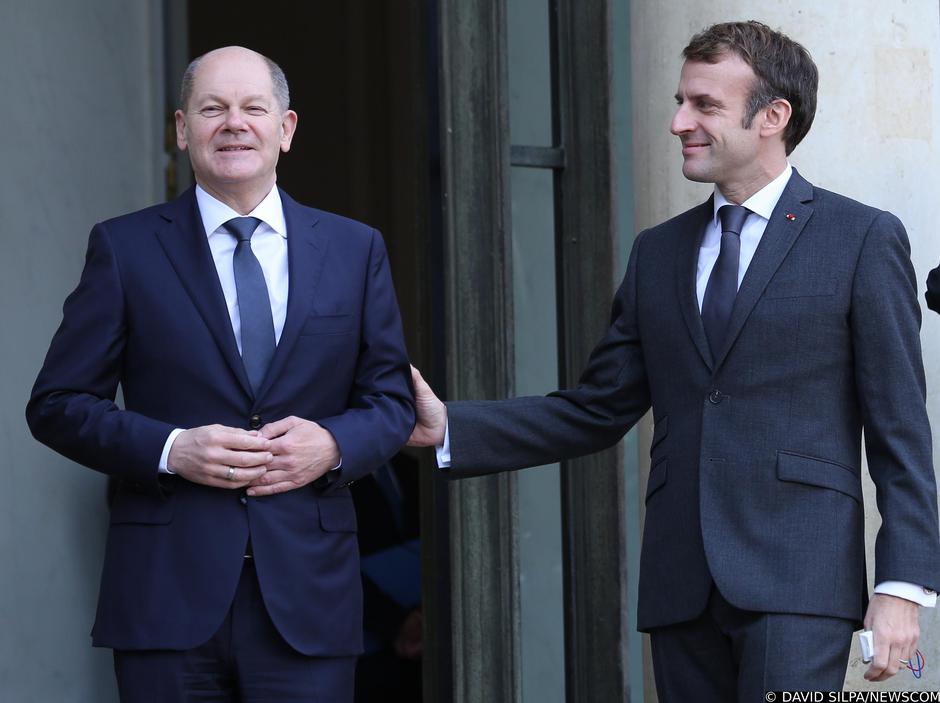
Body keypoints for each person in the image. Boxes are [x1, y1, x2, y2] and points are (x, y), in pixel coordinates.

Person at [409, 21, 940, 700]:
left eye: (704, 105)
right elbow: (598, 407)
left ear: (773, 116)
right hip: (680, 585)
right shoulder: (657, 252)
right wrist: (451, 426)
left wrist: (900, 586)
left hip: (797, 581)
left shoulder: (862, 238)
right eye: (680, 100)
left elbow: (900, 428)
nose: (677, 121)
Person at [26, 46, 414, 702]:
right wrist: (173, 449)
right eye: (213, 108)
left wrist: (334, 444)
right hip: (164, 597)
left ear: (285, 129)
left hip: (308, 599)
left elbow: (392, 401)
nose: (233, 123)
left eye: (252, 108)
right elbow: (57, 403)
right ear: (182, 130)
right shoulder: (125, 248)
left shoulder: (354, 249)